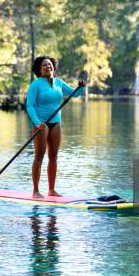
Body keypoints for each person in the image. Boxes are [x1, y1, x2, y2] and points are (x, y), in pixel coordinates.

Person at [26, 56, 85, 198]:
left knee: (54, 156)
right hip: (41, 123)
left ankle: (51, 190)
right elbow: (30, 105)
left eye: (49, 64)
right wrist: (36, 122)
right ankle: (35, 191)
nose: (48, 66)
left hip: (56, 123)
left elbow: (75, 93)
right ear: (39, 69)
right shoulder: (36, 84)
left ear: (53, 66)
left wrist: (81, 86)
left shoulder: (59, 83)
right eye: (44, 65)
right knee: (39, 156)